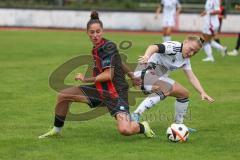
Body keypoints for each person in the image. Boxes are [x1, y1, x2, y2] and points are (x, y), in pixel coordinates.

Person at [39, 11, 155, 139]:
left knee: (125, 130)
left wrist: (85, 79)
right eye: (92, 32)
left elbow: (108, 75)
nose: (95, 35)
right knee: (63, 95)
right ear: (87, 33)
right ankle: (56, 130)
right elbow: (118, 61)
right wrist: (132, 75)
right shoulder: (98, 47)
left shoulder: (107, 47)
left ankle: (143, 126)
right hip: (100, 90)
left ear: (102, 31)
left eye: (98, 32)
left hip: (116, 93)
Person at [131, 35, 215, 127]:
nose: (191, 53)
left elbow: (192, 77)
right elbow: (153, 47)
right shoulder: (174, 47)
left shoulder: (186, 60)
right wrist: (147, 56)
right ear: (185, 42)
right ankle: (136, 114)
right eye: (191, 49)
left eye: (195, 52)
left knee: (184, 94)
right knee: (168, 87)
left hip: (156, 78)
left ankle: (178, 125)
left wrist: (202, 92)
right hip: (143, 75)